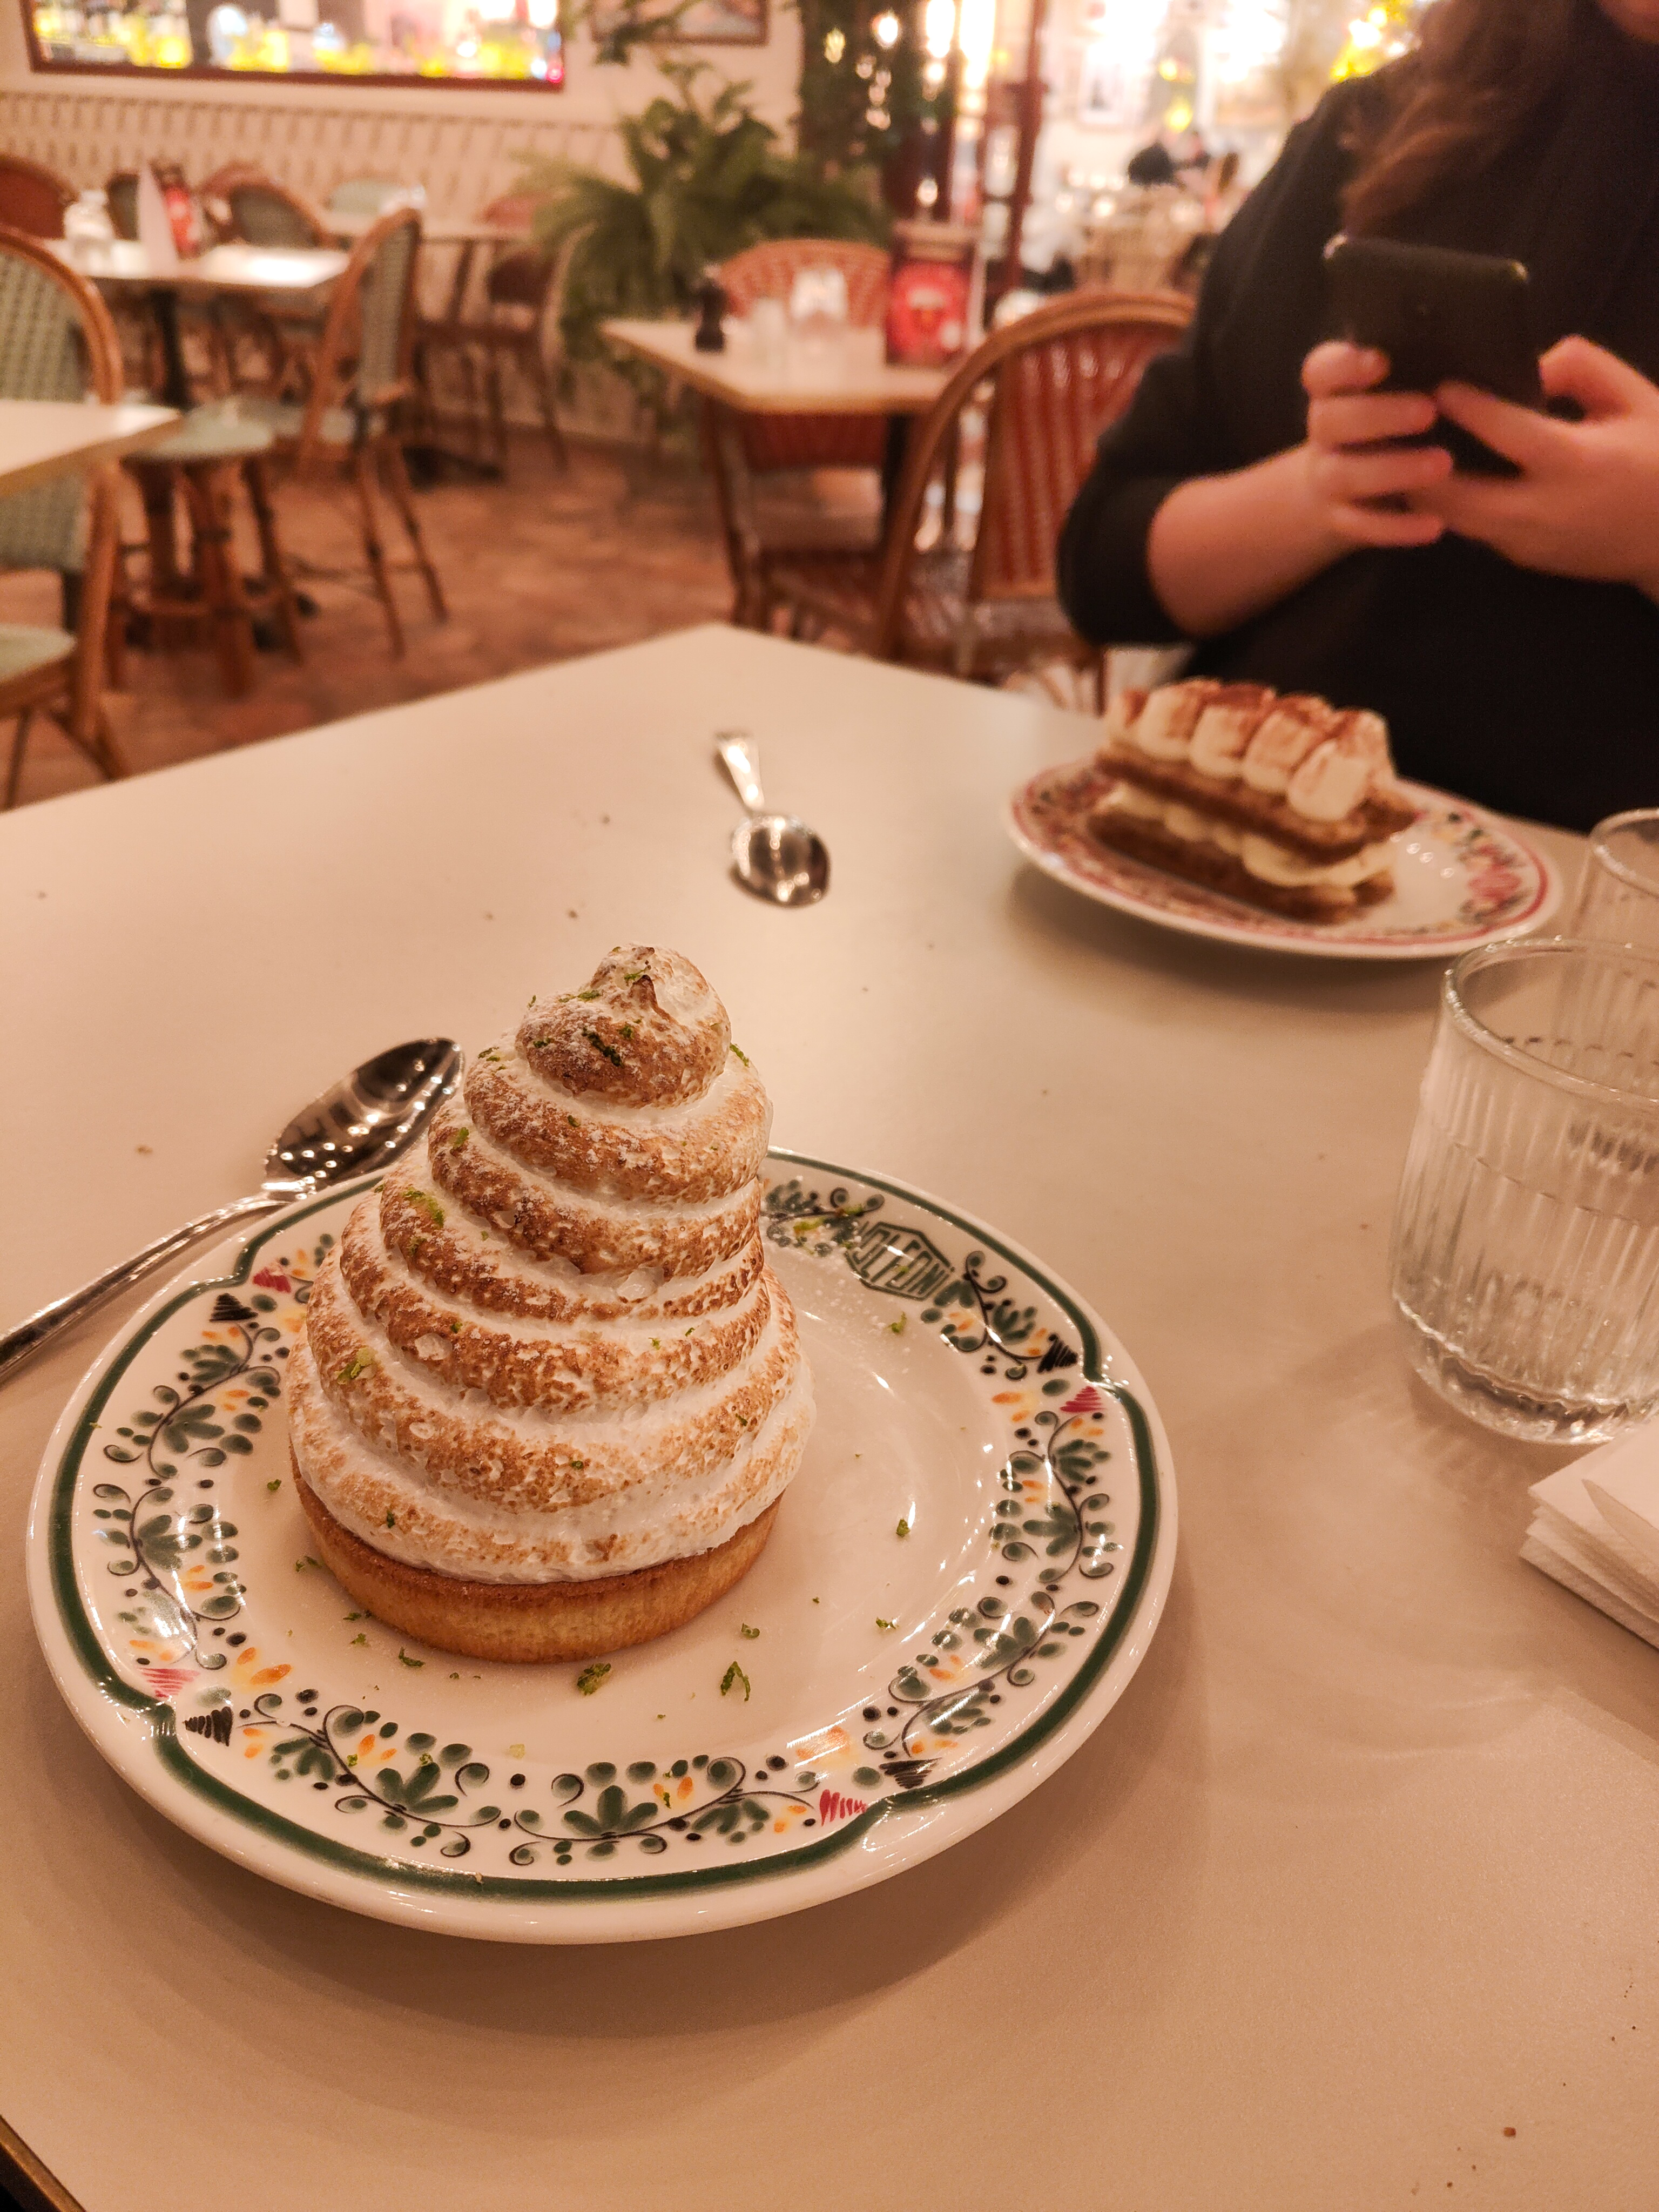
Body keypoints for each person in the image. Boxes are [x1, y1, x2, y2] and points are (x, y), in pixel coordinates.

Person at [1057, 0, 1659, 832]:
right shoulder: (1380, 124)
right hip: (1225, 845)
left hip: (1603, 899)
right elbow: (1104, 569)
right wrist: (1319, 494)